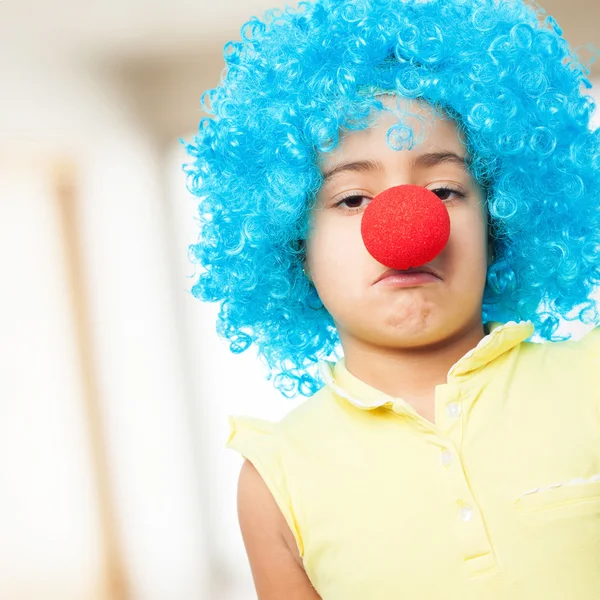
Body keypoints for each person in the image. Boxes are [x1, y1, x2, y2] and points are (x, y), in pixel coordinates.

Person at [181, 0, 600, 598]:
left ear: (501, 221)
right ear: (292, 242)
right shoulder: (276, 479)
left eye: (445, 189)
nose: (407, 224)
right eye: (352, 199)